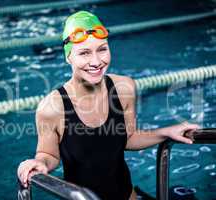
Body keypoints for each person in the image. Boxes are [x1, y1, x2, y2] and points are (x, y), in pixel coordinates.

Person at [17, 10, 199, 200]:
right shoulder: (52, 108)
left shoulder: (124, 88)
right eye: (84, 53)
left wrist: (166, 132)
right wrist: (40, 163)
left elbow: (128, 138)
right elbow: (49, 154)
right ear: (68, 57)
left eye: (102, 49)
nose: (96, 62)